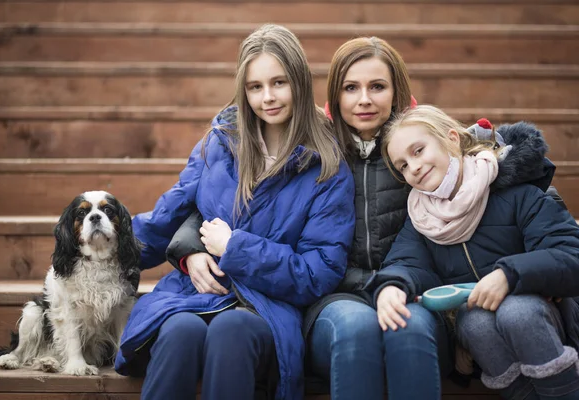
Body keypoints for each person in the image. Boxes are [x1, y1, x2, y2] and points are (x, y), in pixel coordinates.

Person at [114, 24, 356, 400]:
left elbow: (318, 271)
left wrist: (235, 248)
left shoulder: (326, 168)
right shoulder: (220, 142)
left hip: (266, 306)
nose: (268, 98)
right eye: (255, 87)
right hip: (196, 292)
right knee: (179, 332)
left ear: (300, 82)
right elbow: (171, 211)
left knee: (231, 331)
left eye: (279, 83)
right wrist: (115, 254)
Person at [367, 104, 579, 399]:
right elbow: (406, 262)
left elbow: (570, 254)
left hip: (543, 318)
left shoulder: (516, 193)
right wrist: (391, 286)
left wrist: (509, 275)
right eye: (402, 165)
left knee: (516, 311)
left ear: (452, 139)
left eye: (418, 151)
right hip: (485, 330)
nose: (412, 167)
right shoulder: (422, 217)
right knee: (475, 319)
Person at [304, 37, 451, 400]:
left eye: (377, 87)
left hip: (416, 295)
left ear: (396, 92)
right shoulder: (312, 154)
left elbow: (492, 174)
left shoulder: (421, 151)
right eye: (351, 88)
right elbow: (221, 191)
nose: (364, 99)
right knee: (356, 328)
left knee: (407, 327)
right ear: (335, 97)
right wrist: (194, 244)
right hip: (334, 301)